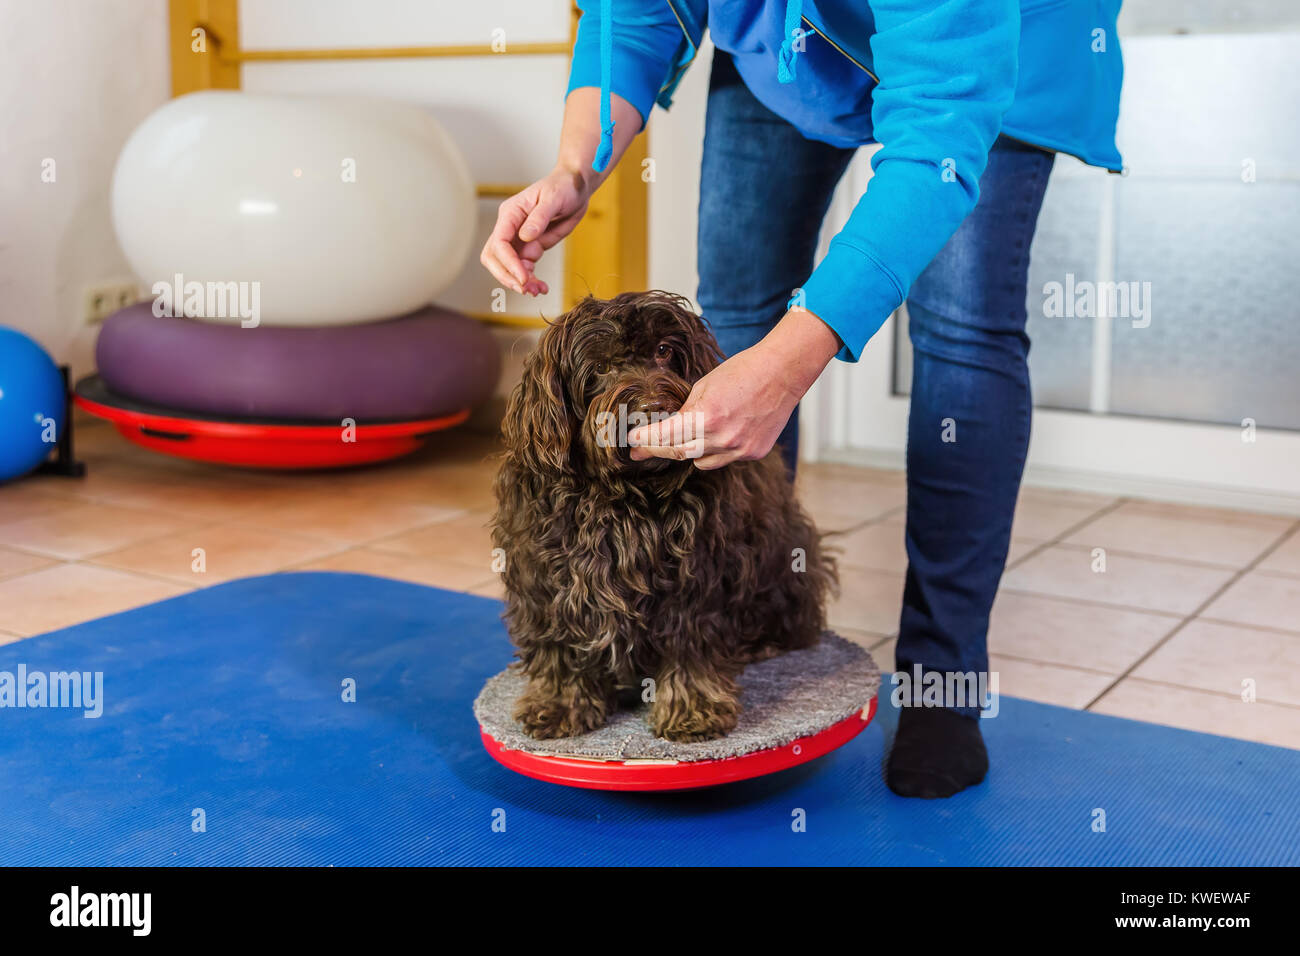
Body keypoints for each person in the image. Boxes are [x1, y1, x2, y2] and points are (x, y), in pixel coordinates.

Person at [480, 0, 1123, 798]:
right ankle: (721, 619)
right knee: (738, 314)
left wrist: (791, 361)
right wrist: (576, 165)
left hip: (983, 56)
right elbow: (636, 14)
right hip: (786, 53)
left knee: (965, 333)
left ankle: (942, 681)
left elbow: (938, 145)